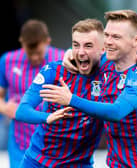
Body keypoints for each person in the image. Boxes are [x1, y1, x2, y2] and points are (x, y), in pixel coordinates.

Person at [40, 10, 137, 167]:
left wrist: (70, 99)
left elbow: (116, 112)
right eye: (107, 35)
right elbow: (85, 50)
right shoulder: (106, 63)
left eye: (116, 37)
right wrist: (70, 53)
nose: (108, 42)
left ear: (136, 41)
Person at [16, 19, 107, 167]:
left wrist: (71, 99)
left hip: (79, 163)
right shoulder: (54, 71)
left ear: (103, 49)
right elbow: (22, 111)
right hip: (38, 161)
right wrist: (47, 117)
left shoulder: (109, 76)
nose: (81, 52)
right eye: (76, 45)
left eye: (88, 46)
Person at [0, 19, 65, 168]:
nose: (35, 57)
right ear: (21, 42)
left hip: (54, 141)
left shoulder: (63, 60)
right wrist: (5, 108)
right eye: (30, 53)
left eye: (39, 53)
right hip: (20, 140)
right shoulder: (7, 61)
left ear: (47, 42)